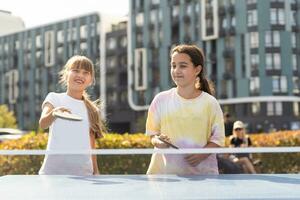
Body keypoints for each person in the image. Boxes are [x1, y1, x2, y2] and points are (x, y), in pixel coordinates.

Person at [145, 44, 225, 175]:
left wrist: (201, 155)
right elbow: (153, 135)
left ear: (197, 70)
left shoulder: (210, 103)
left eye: (183, 66)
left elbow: (218, 139)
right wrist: (159, 142)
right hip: (165, 177)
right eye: (173, 65)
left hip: (203, 176)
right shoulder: (160, 100)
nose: (176, 70)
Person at [38, 55, 106, 175]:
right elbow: (43, 123)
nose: (80, 75)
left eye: (86, 72)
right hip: (54, 172)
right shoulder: (54, 98)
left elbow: (91, 145)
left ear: (91, 80)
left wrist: (96, 171)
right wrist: (54, 113)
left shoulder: (92, 110)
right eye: (75, 70)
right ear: (66, 75)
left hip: (84, 174)